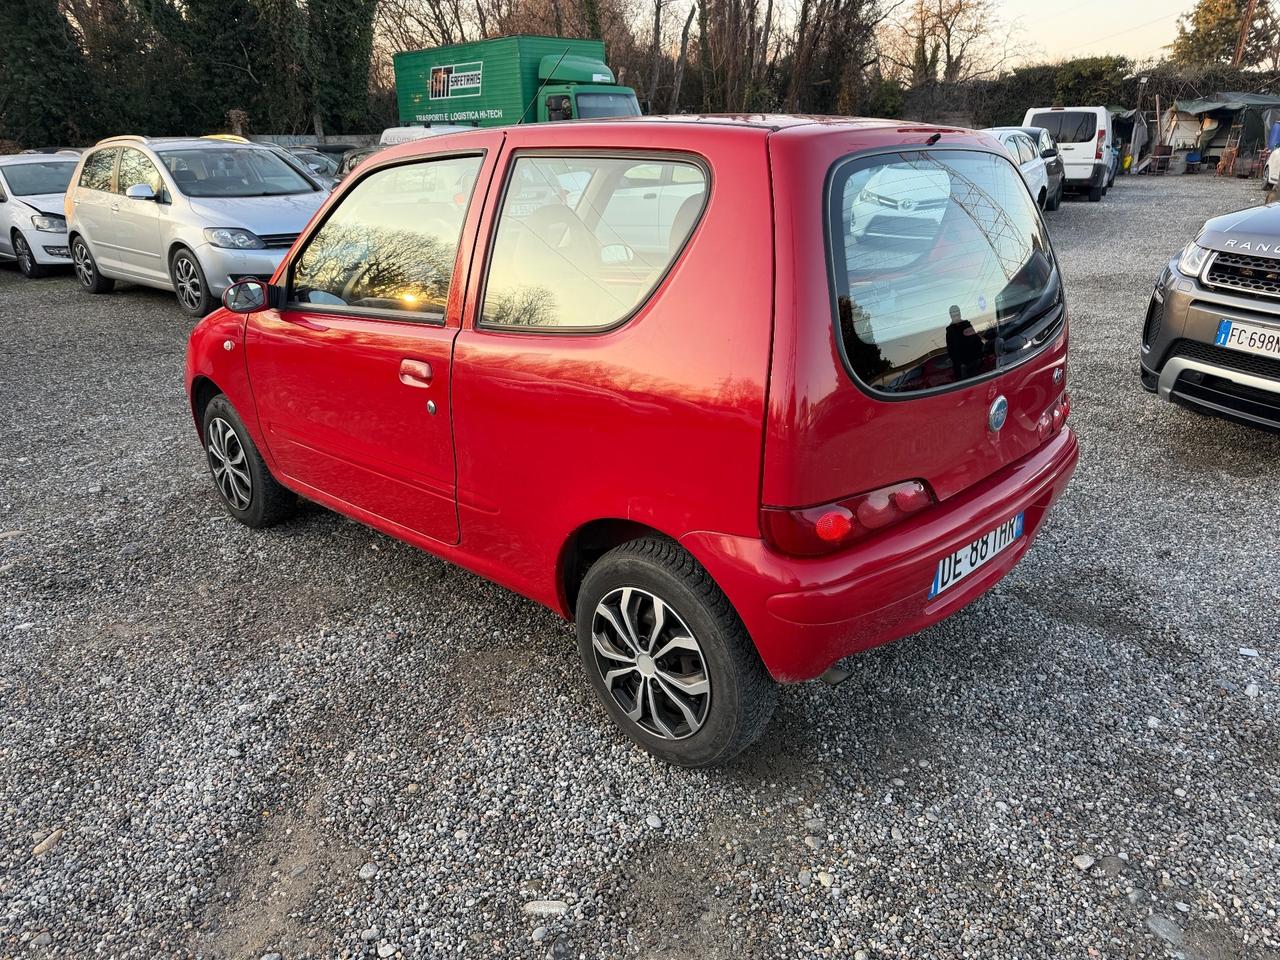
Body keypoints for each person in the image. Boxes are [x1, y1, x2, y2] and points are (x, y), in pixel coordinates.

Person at [945, 304, 986, 381]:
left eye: (957, 313)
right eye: (953, 314)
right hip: (962, 368)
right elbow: (951, 351)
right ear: (950, 315)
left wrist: (982, 354)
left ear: (960, 313)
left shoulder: (967, 324)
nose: (956, 315)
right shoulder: (950, 331)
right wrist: (960, 365)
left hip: (976, 363)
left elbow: (977, 340)